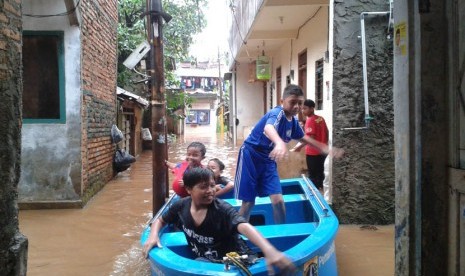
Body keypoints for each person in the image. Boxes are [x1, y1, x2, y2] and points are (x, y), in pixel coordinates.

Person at [142, 167, 296, 274]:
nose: (210, 191)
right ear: (189, 190)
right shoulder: (181, 205)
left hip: (235, 261)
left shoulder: (222, 209)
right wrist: (153, 235)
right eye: (203, 187)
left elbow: (244, 226)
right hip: (205, 260)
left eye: (212, 185)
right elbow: (160, 220)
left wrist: (269, 250)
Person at [234, 84, 343, 224]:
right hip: (251, 156)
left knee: (278, 201)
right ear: (282, 101)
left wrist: (324, 148)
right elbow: (268, 128)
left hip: (268, 160)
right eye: (292, 102)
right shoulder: (277, 113)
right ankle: (238, 236)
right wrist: (279, 143)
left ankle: (281, 233)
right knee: (248, 202)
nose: (297, 106)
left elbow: (304, 138)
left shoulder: (294, 122)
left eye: (300, 103)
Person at [290, 99, 329, 191]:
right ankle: (321, 192)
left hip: (313, 153)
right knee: (321, 173)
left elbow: (310, 138)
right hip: (322, 151)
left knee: (313, 175)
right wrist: (325, 144)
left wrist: (298, 147)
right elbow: (327, 132)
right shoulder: (320, 119)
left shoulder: (310, 120)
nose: (303, 111)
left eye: (305, 109)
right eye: (302, 109)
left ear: (312, 108)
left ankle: (315, 195)